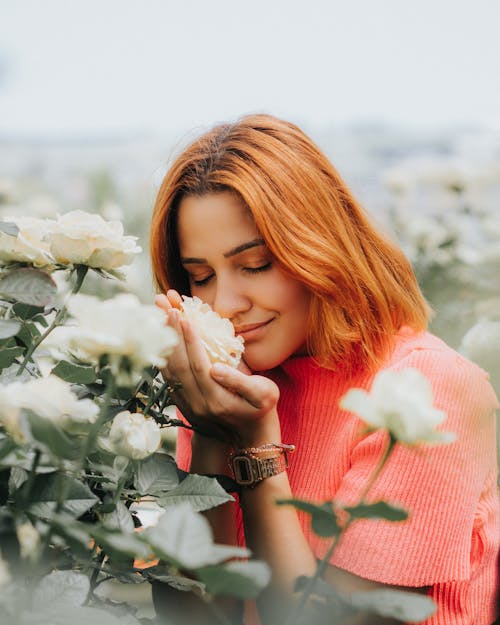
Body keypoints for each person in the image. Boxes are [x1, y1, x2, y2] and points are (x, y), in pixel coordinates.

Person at [149, 114, 500, 625]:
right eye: (200, 276)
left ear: (317, 247)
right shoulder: (228, 385)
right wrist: (208, 432)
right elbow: (194, 615)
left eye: (255, 265)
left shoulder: (429, 391)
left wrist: (255, 446)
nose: (223, 303)